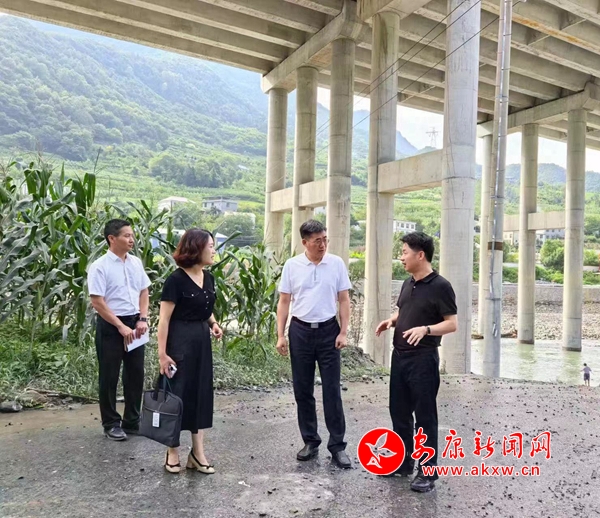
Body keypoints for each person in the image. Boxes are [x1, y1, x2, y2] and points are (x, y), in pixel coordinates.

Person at [375, 232, 457, 492]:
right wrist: (391, 321)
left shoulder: (441, 286)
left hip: (423, 359)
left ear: (420, 255)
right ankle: (403, 462)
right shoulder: (407, 283)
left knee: (425, 417)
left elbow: (452, 324)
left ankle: (428, 472)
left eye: (405, 252)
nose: (401, 257)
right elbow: (403, 311)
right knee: (399, 413)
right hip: (399, 357)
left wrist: (426, 329)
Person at [276, 220, 352, 469]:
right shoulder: (292, 265)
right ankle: (310, 440)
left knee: (332, 389)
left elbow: (343, 299)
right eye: (317, 240)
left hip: (329, 331)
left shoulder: (336, 263)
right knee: (303, 389)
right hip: (300, 331)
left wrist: (343, 332)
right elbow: (284, 301)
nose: (323, 244)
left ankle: (337, 446)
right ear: (305, 242)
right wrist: (280, 335)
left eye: (325, 239)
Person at [157, 228, 223, 474]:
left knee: (200, 395)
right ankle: (172, 451)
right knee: (177, 396)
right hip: (179, 344)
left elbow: (205, 307)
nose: (214, 251)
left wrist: (213, 323)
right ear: (196, 248)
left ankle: (197, 453)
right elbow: (164, 320)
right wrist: (162, 354)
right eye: (210, 246)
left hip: (201, 344)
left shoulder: (209, 277)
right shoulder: (175, 280)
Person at [88, 219, 151, 441]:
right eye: (126, 236)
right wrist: (120, 326)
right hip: (111, 326)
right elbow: (97, 301)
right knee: (109, 376)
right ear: (111, 239)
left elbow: (144, 291)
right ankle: (111, 424)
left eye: (132, 235)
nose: (131, 239)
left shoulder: (136, 263)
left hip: (135, 324)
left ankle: (132, 421)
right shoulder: (100, 266)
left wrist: (142, 319)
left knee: (135, 374)